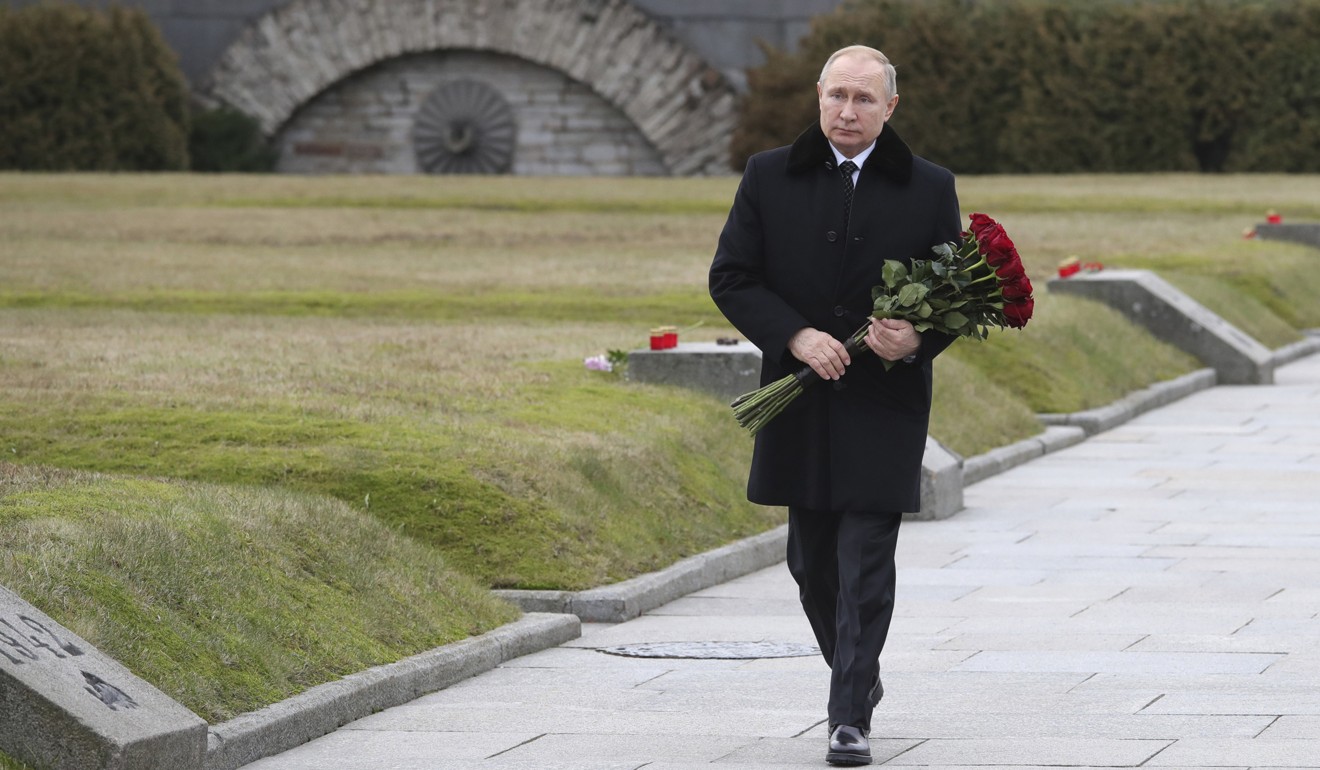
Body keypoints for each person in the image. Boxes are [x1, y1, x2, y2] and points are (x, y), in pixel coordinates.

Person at [709, 45, 961, 766]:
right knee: (811, 563)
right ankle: (860, 679)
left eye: (864, 99)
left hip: (885, 405)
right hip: (800, 405)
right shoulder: (766, 175)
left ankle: (848, 717)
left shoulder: (928, 186)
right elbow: (730, 276)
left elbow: (952, 298)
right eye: (836, 96)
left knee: (864, 561)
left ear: (891, 107)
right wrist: (796, 334)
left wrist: (915, 338)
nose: (847, 112)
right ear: (819, 97)